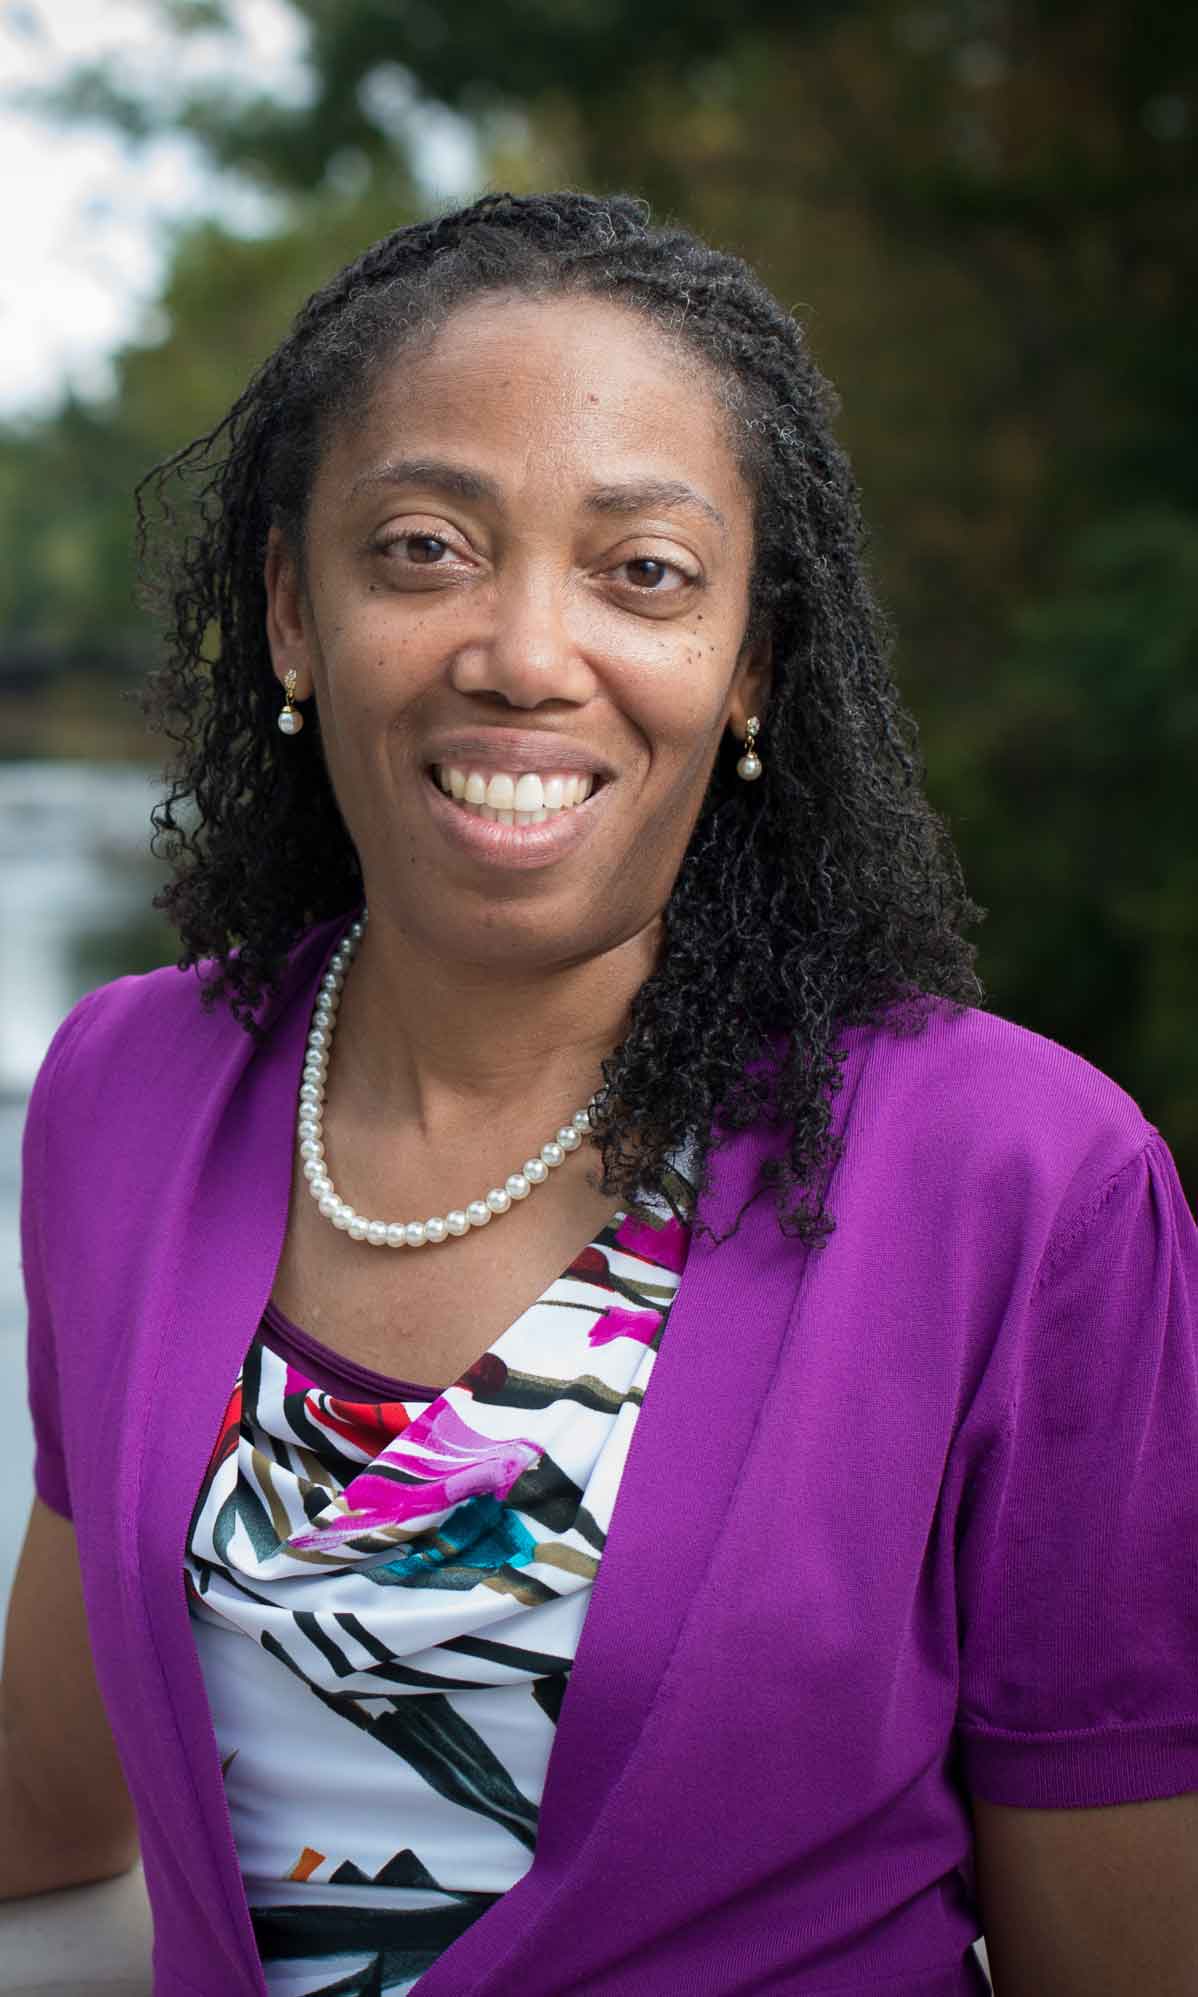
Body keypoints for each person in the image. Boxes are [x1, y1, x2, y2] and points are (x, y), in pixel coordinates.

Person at [3, 189, 1196, 1997]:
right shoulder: (127, 1087)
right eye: (421, 548)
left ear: (749, 667)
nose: (524, 653)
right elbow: (53, 1793)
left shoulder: (1024, 1178)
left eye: (642, 570)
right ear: (290, 611)